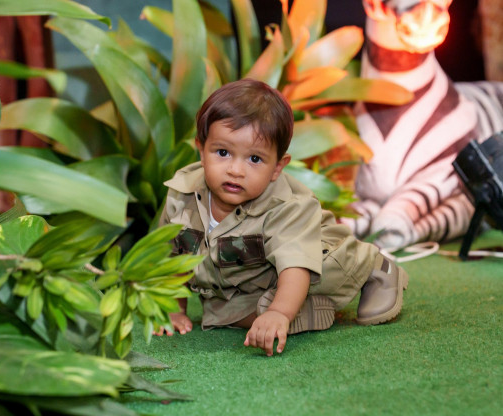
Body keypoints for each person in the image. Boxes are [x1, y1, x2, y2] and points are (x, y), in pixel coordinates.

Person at [157, 78, 409, 356]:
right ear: (202, 151)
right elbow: (174, 257)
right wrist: (174, 308)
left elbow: (295, 266)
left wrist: (279, 312)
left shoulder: (288, 206)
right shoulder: (182, 196)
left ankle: (373, 266)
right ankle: (299, 308)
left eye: (254, 159)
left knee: (321, 267)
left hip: (313, 252)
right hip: (252, 279)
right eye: (223, 152)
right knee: (220, 312)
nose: (235, 170)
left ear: (278, 167)